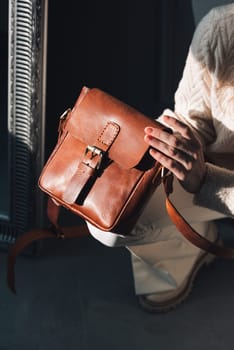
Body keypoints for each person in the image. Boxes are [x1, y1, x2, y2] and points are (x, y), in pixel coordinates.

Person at [87, 3, 234, 312]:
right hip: (210, 176)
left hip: (211, 182)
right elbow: (192, 119)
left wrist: (205, 181)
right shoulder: (222, 28)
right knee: (111, 211)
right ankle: (187, 243)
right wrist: (178, 147)